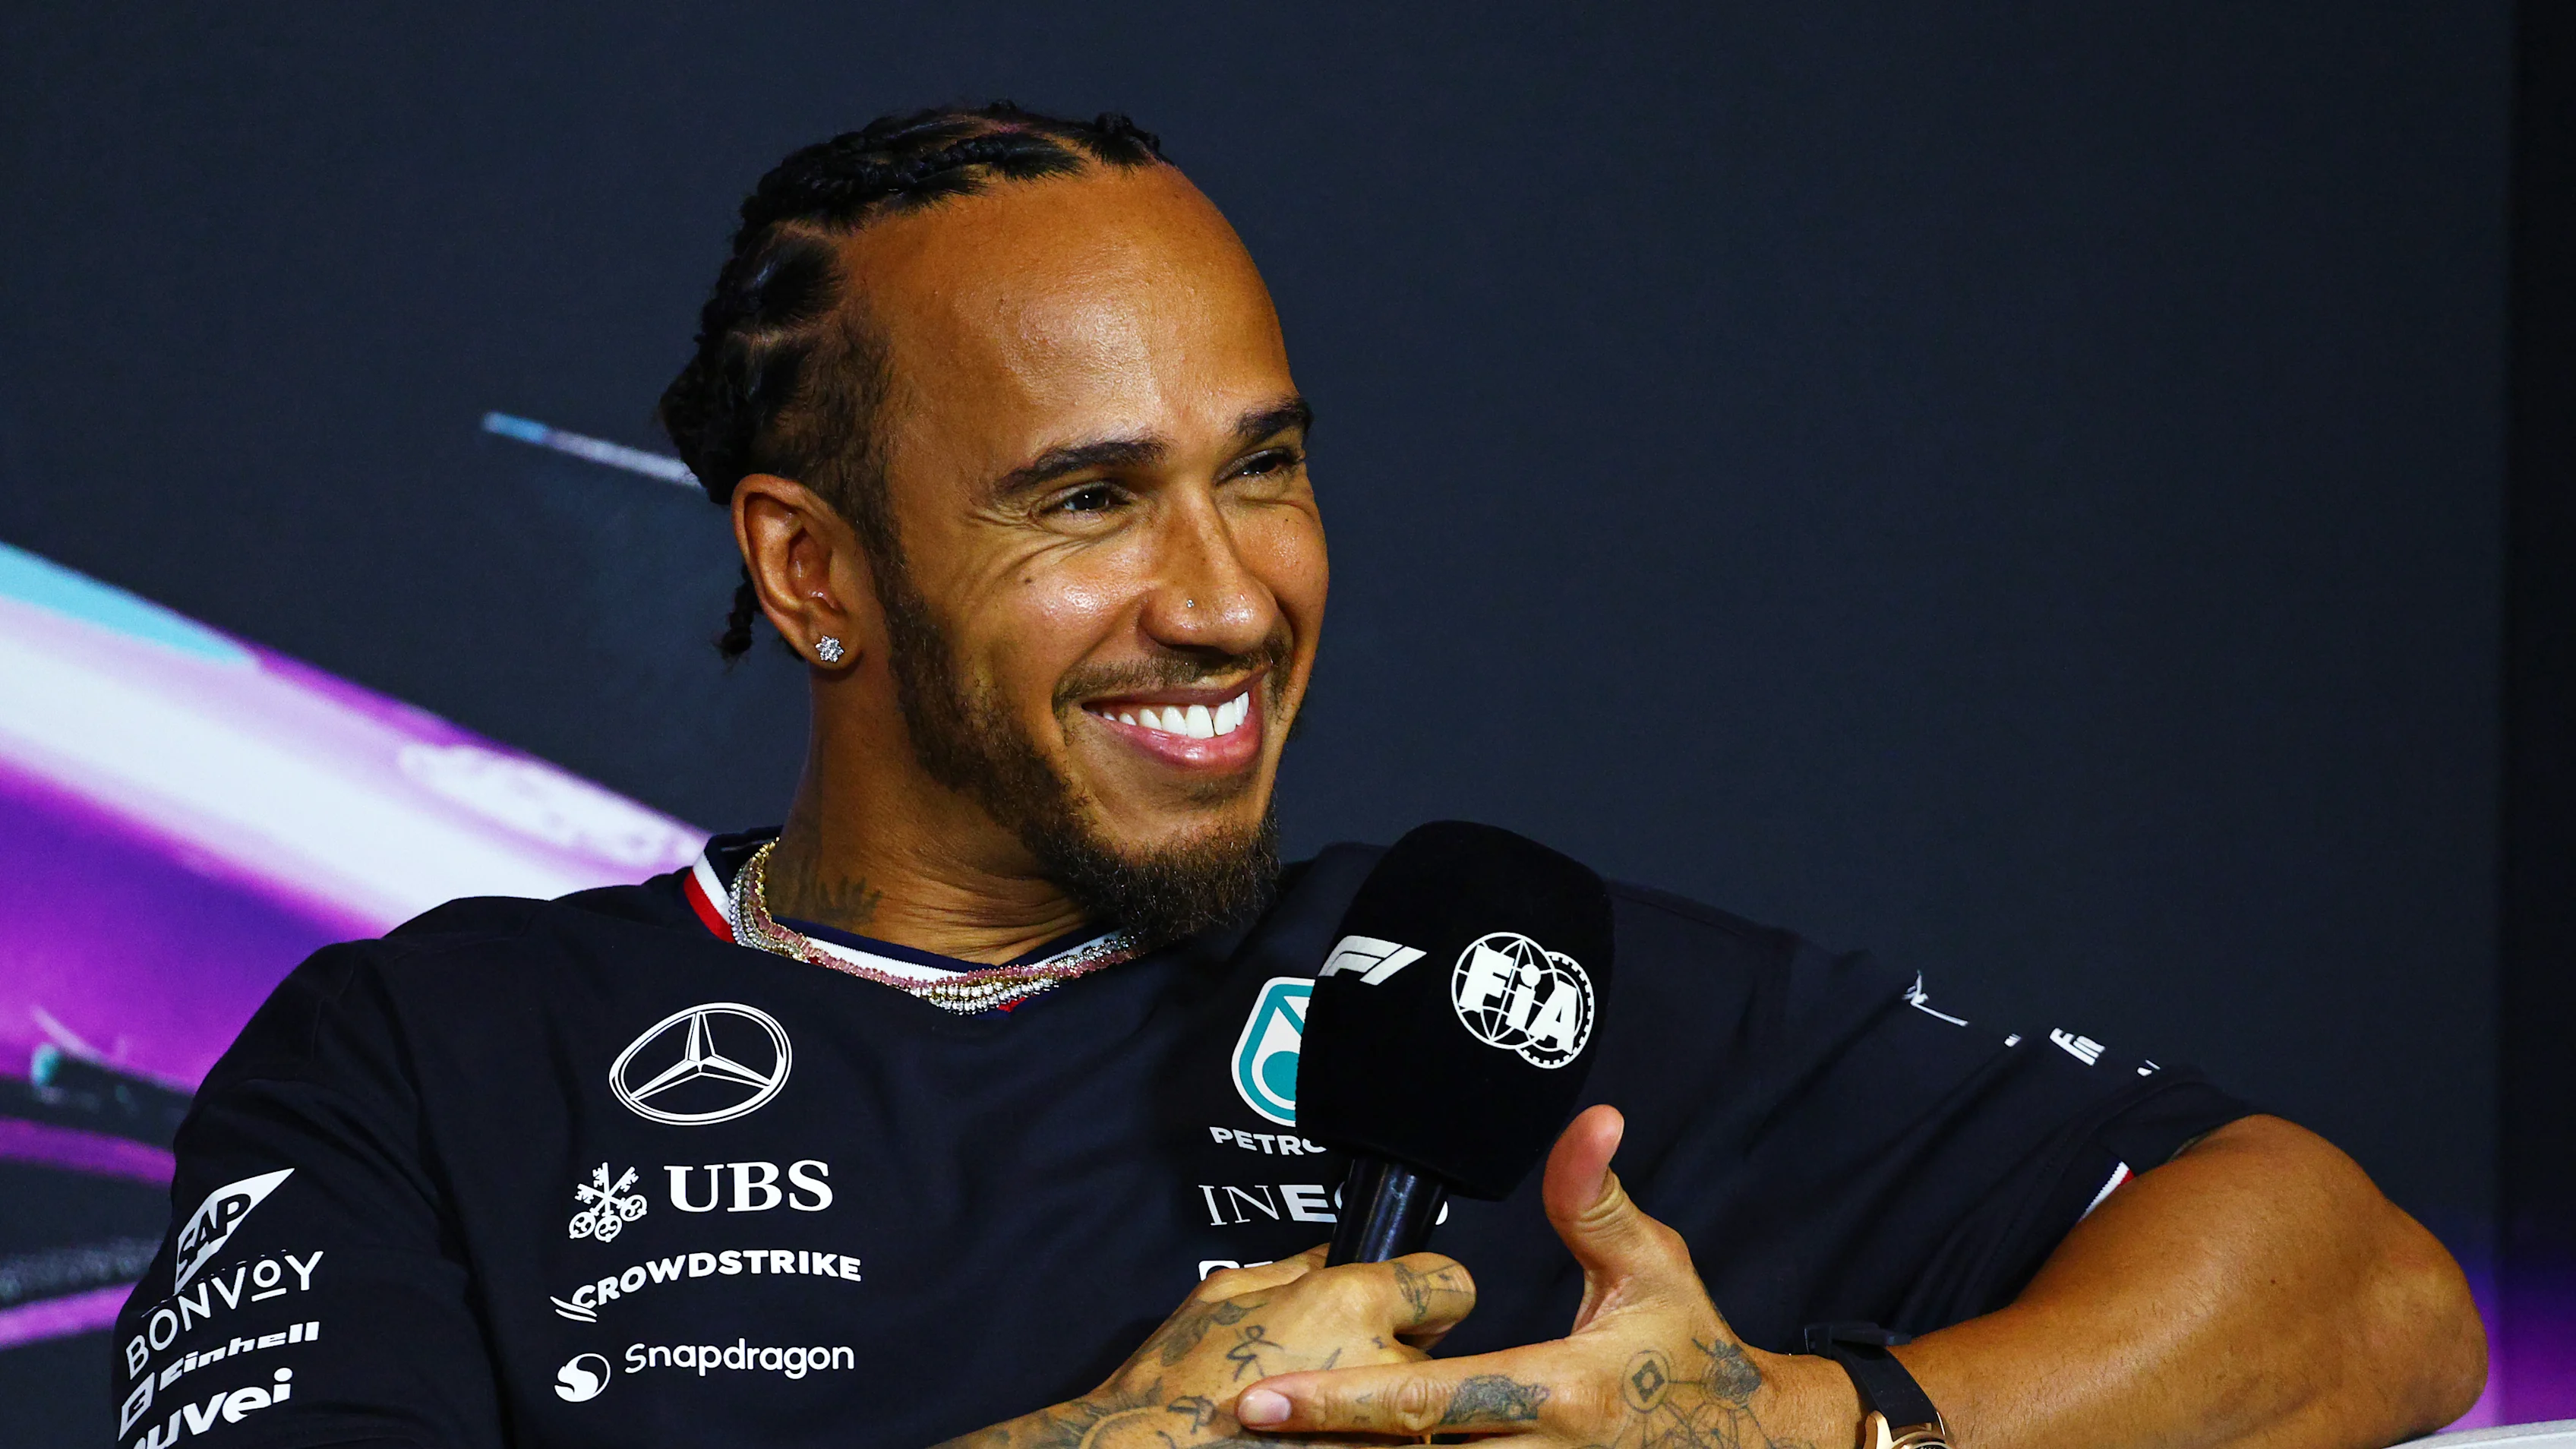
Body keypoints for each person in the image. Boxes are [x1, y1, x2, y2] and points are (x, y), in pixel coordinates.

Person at [112, 103, 2483, 1449]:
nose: (1233, 594)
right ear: (814, 572)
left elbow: (2366, 1289)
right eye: (1085, 498)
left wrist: (1805, 1429)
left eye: (1265, 470)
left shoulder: (1479, 977)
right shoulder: (425, 1061)